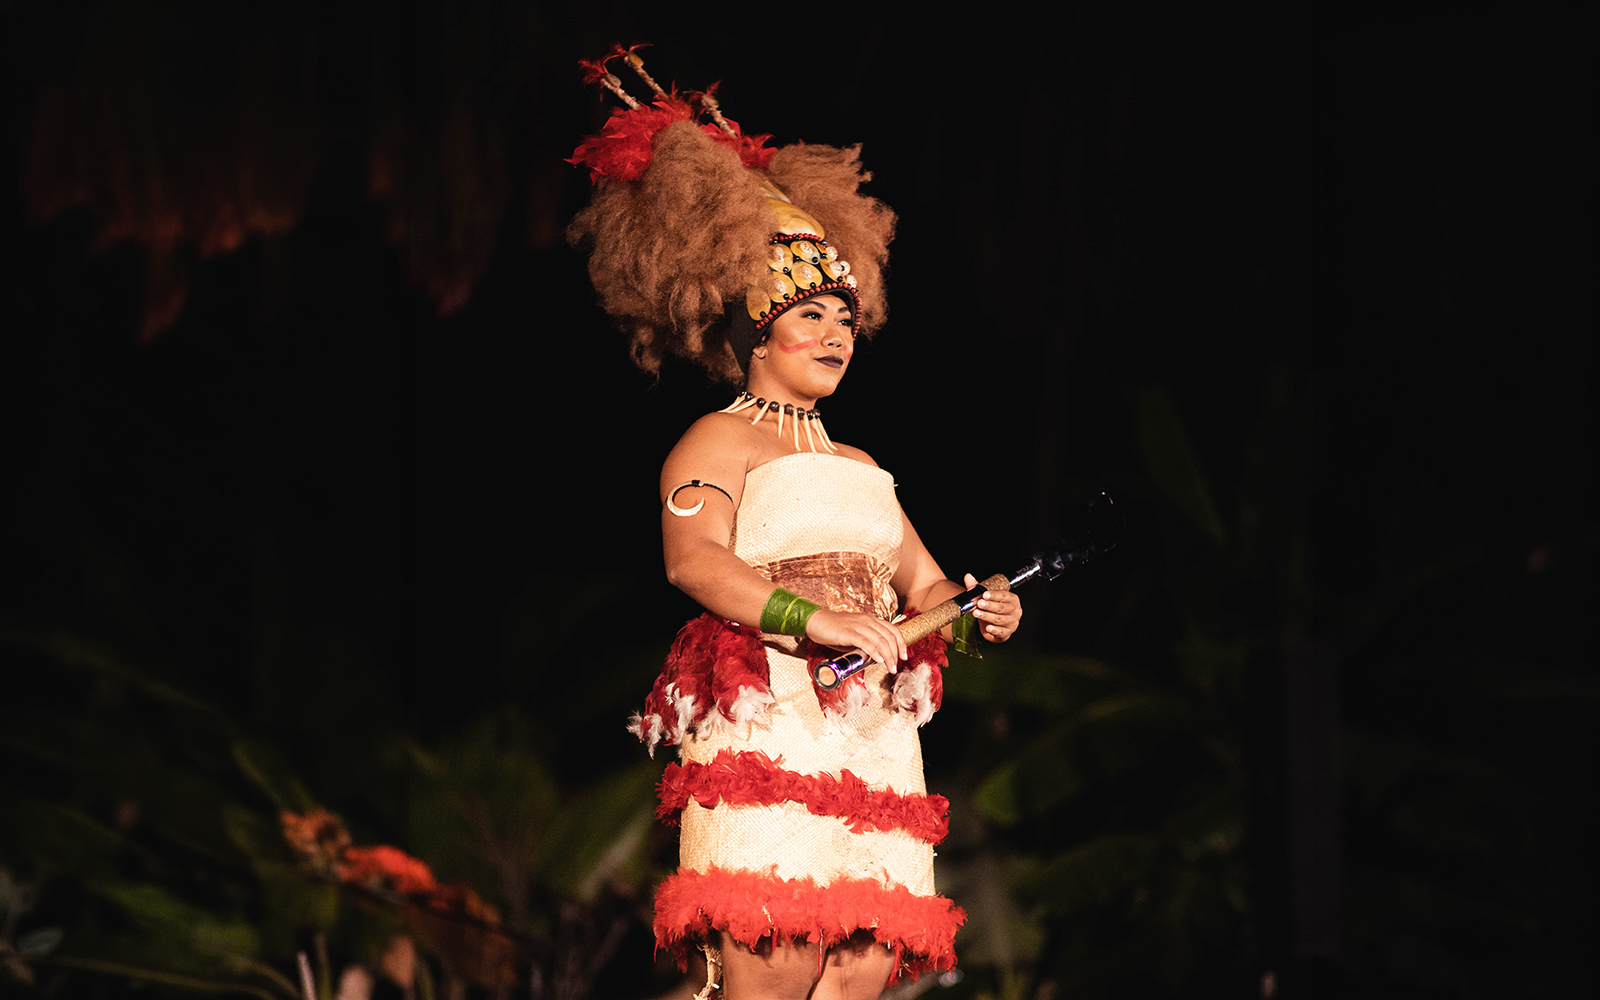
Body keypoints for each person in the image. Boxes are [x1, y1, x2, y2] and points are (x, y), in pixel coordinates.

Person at [567, 51, 1022, 999]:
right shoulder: (714, 443)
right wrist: (815, 620)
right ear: (757, 329)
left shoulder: (861, 469)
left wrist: (976, 608)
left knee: (860, 971)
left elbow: (925, 586)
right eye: (810, 314)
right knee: (775, 964)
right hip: (771, 721)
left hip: (871, 739)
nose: (835, 336)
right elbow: (693, 564)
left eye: (845, 319)